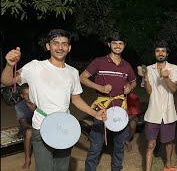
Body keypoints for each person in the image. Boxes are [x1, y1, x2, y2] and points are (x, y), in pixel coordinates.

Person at [1, 29, 105, 171]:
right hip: (41, 126)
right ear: (48, 46)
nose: (60, 47)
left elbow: (76, 99)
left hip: (65, 127)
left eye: (64, 44)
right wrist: (9, 65)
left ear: (69, 48)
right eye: (55, 43)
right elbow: (7, 81)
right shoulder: (35, 67)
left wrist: (95, 114)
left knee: (61, 168)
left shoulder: (73, 72)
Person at [80, 31, 136, 171]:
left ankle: (116, 168)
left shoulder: (126, 65)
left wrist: (129, 87)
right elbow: (82, 78)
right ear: (109, 44)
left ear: (124, 45)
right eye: (115, 43)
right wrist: (100, 87)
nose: (117, 46)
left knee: (119, 145)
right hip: (102, 109)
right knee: (96, 145)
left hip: (120, 110)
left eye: (120, 43)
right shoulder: (99, 61)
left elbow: (133, 81)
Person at [139, 40, 177, 171]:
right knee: (151, 143)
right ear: (154, 53)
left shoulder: (173, 68)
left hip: (168, 112)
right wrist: (146, 79)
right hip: (153, 112)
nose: (160, 53)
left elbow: (174, 89)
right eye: (158, 51)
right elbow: (149, 91)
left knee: (168, 142)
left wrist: (166, 77)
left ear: (167, 53)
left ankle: (168, 165)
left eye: (163, 51)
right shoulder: (149, 69)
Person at [15, 83, 36, 170]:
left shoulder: (38, 102)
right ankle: (27, 159)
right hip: (27, 128)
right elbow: (24, 124)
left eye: (30, 93)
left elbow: (46, 117)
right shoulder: (19, 106)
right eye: (26, 94)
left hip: (41, 126)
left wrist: (35, 110)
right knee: (29, 132)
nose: (29, 96)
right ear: (22, 95)